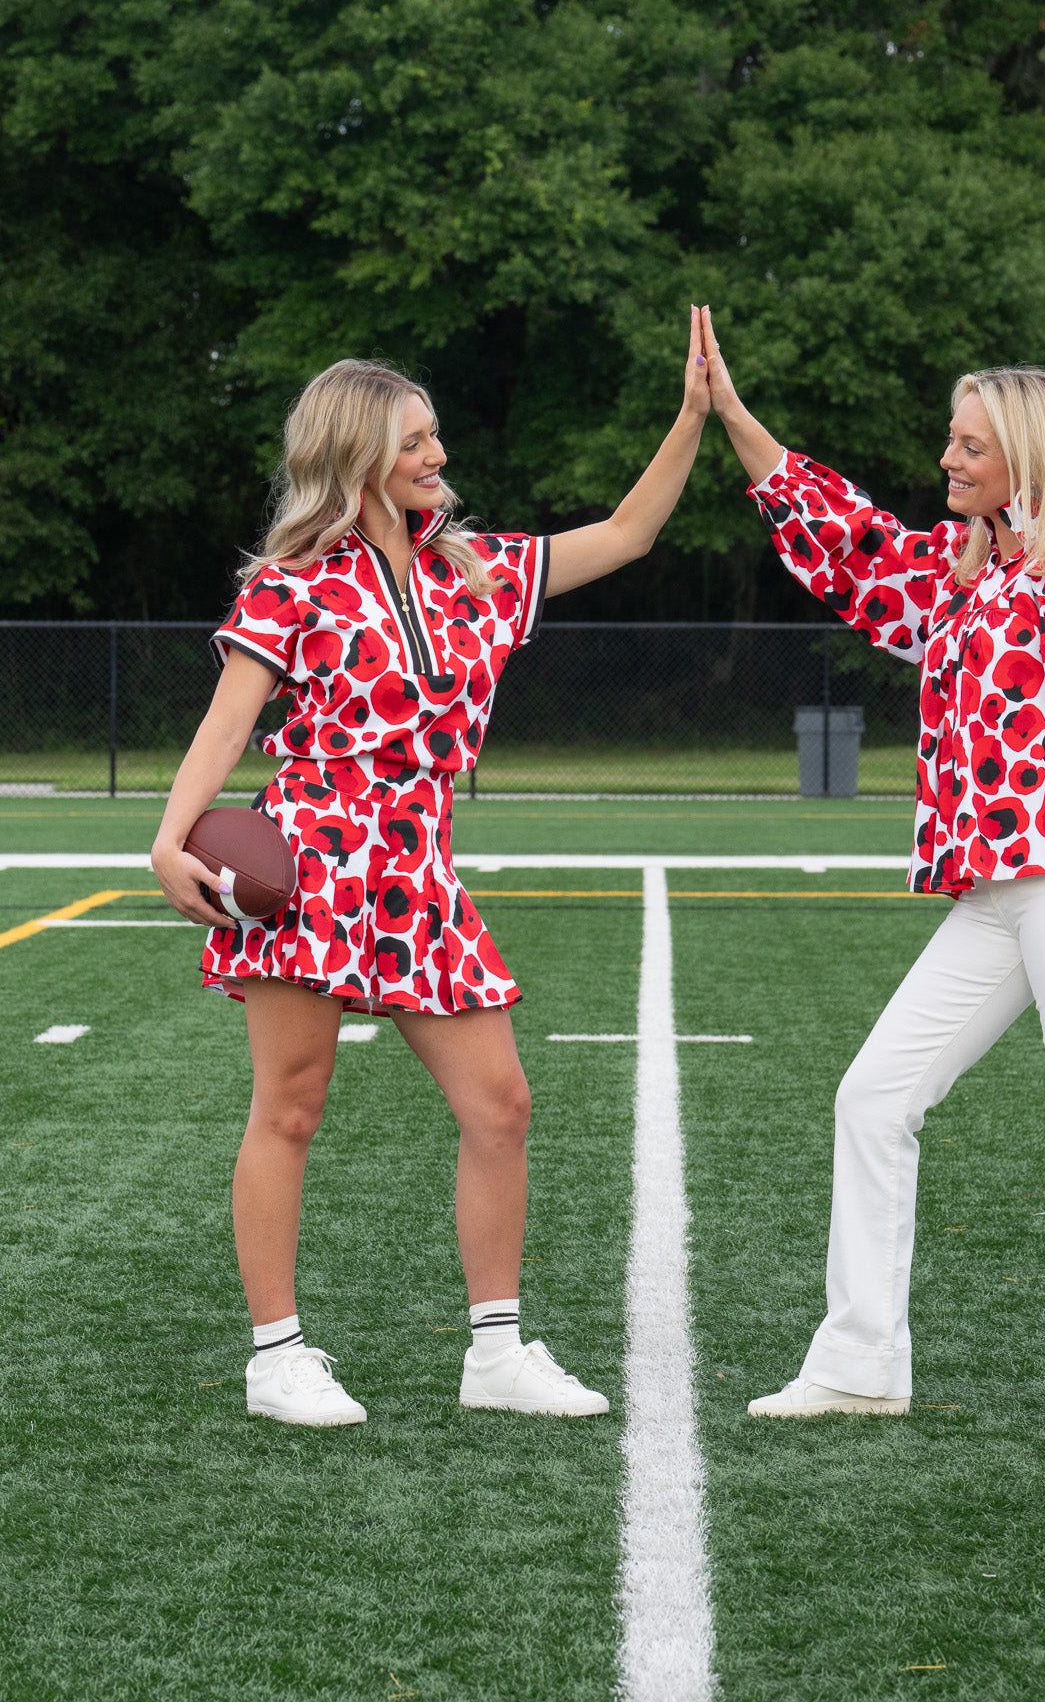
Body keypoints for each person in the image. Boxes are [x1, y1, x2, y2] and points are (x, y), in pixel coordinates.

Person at [153, 318, 711, 1427]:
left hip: (417, 864)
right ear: (359, 452)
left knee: (500, 1104)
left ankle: (495, 1352)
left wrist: (694, 415)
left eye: (438, 440)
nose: (437, 458)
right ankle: (277, 1357)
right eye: (417, 441)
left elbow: (632, 530)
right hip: (310, 859)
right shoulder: (295, 585)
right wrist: (170, 838)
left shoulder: (480, 568)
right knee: (293, 1107)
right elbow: (227, 726)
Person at [700, 310, 1045, 1436]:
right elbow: (845, 537)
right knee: (874, 1096)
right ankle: (862, 1357)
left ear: (1027, 452)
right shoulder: (968, 572)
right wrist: (731, 416)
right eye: (952, 441)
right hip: (992, 892)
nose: (947, 458)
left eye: (969, 443)